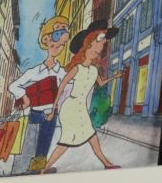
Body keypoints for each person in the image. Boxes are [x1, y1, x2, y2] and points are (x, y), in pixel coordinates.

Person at [44, 22, 118, 172]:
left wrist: (114, 77)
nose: (96, 52)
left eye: (98, 51)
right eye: (93, 49)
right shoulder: (77, 69)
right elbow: (62, 86)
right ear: (86, 48)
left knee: (92, 136)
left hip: (81, 107)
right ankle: (43, 169)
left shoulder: (94, 70)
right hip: (70, 107)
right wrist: (53, 109)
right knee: (66, 142)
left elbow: (101, 83)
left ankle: (107, 164)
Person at [6, 15, 69, 174]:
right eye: (55, 42)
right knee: (27, 147)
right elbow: (13, 86)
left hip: (51, 115)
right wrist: (24, 96)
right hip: (35, 114)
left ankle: (37, 173)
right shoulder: (35, 71)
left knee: (43, 148)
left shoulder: (62, 73)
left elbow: (68, 93)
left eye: (61, 45)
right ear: (46, 41)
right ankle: (19, 174)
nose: (58, 47)